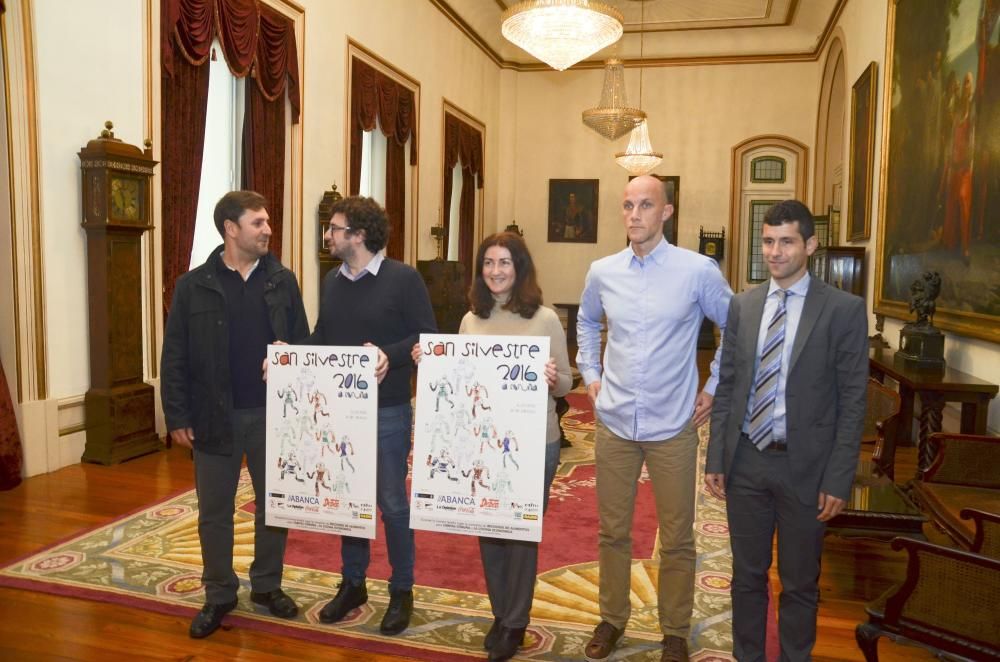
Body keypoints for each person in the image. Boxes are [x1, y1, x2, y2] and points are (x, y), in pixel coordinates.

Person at [577, 175, 733, 662]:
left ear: (666, 212)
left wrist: (713, 387)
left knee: (678, 536)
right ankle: (612, 619)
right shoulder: (603, 271)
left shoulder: (697, 271)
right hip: (616, 421)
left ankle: (675, 632)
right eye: (627, 206)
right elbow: (585, 321)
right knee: (613, 531)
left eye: (645, 205)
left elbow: (735, 328)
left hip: (673, 425)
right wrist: (590, 373)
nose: (634, 215)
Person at [705, 200, 868, 661]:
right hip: (747, 463)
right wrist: (716, 457)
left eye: (787, 242)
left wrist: (839, 478)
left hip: (807, 470)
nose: (775, 252)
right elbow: (730, 386)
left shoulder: (842, 310)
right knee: (747, 577)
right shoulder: (744, 306)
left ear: (810, 245)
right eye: (769, 241)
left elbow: (853, 402)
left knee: (799, 583)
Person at [412, 231, 572, 662]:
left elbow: (566, 384)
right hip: (482, 444)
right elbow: (463, 380)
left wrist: (552, 376)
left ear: (519, 268)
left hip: (536, 443)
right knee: (487, 530)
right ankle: (500, 613)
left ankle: (516, 622)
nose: (496, 271)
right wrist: (431, 363)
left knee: (519, 533)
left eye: (504, 263)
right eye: (488, 263)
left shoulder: (545, 319)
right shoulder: (470, 320)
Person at [161, 190, 309, 638]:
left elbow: (303, 341)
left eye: (267, 222)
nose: (268, 230)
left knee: (274, 508)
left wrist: (293, 354)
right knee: (215, 511)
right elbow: (175, 356)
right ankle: (219, 593)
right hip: (213, 416)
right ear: (230, 228)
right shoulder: (193, 285)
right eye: (258, 222)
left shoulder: (282, 279)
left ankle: (266, 586)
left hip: (273, 416)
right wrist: (177, 415)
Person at [308, 196, 437, 635]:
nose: (329, 235)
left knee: (392, 504)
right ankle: (354, 583)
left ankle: (402, 589)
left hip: (388, 410)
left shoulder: (404, 279)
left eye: (335, 228)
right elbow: (323, 336)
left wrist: (389, 354)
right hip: (340, 414)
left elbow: (426, 337)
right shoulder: (331, 280)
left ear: (359, 236)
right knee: (349, 501)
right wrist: (291, 357)